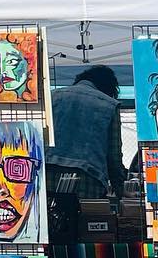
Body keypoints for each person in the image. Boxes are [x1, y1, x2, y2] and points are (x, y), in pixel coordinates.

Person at [47, 65, 125, 198]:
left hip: (47, 173)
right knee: (86, 212)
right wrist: (119, 188)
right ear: (109, 87)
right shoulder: (109, 105)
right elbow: (114, 154)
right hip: (88, 178)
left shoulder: (52, 96)